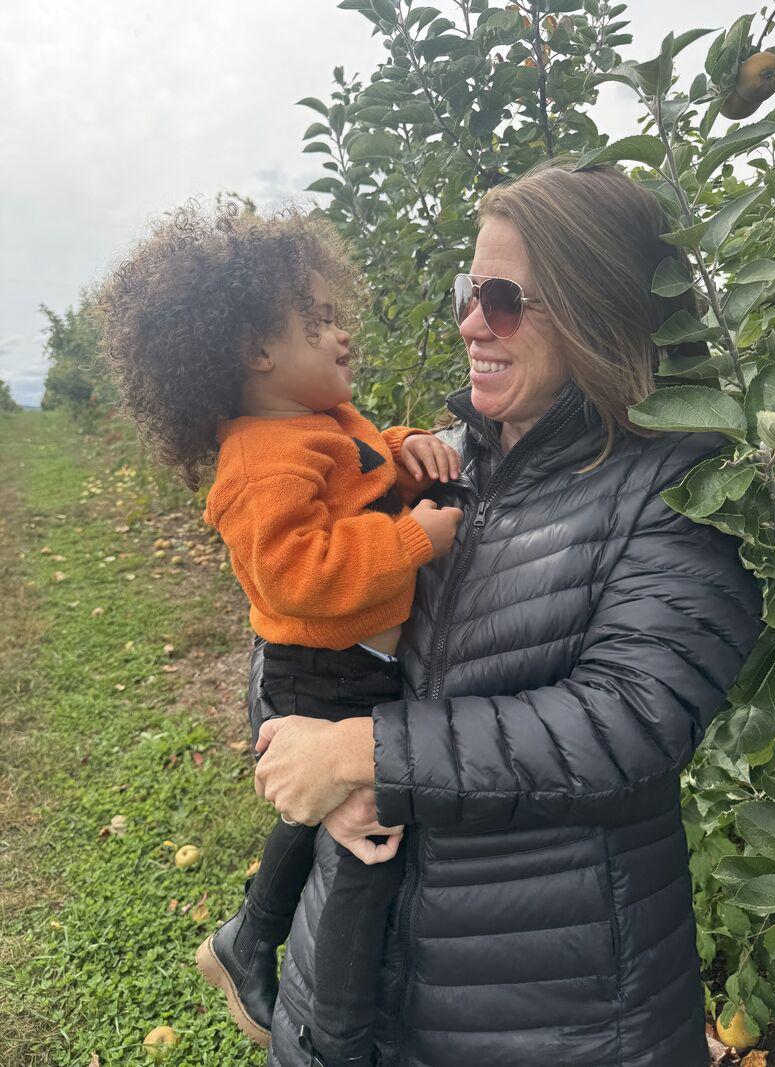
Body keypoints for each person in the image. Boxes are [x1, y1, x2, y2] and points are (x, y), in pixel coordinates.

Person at [250, 160, 764, 1067]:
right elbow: (293, 618)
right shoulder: (433, 462)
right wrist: (302, 752)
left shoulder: (679, 486)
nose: (470, 323)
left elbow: (630, 721)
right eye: (468, 291)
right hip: (351, 983)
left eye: (503, 300)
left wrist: (365, 753)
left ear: (598, 310)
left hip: (554, 1008)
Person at [94, 202, 463, 1067]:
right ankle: (301, 996)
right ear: (258, 350)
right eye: (318, 320)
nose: (343, 334)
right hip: (320, 670)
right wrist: (413, 540)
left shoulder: (323, 422)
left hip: (355, 664)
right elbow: (299, 571)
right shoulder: (261, 461)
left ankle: (259, 944)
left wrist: (410, 446)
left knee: (342, 817)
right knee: (356, 834)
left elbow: (365, 467)